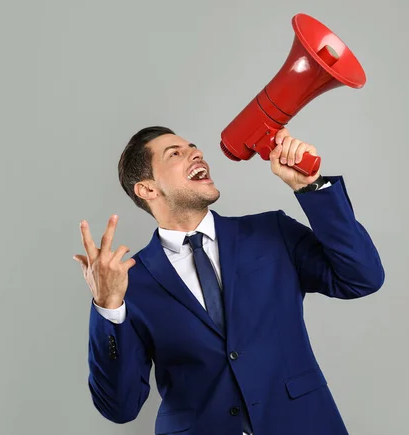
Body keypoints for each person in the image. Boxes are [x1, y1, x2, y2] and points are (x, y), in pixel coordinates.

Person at [74, 125, 385, 435]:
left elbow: (362, 277)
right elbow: (120, 407)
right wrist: (108, 308)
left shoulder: (271, 232)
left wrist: (311, 186)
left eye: (193, 147)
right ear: (148, 189)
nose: (196, 153)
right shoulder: (131, 282)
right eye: (176, 154)